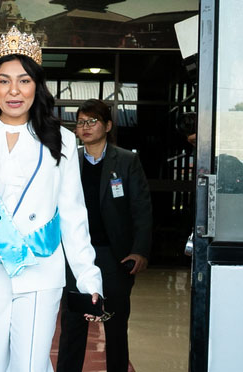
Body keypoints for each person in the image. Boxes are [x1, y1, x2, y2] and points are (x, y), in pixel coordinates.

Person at [0, 26, 104, 372]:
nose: (13, 91)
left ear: (37, 86)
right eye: (3, 80)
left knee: (29, 365)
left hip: (40, 268)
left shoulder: (63, 140)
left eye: (24, 81)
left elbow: (73, 214)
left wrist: (88, 277)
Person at [56, 99, 152, 372]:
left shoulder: (126, 161)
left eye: (92, 121)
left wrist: (140, 251)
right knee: (73, 324)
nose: (85, 127)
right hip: (76, 254)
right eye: (81, 122)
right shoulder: (68, 159)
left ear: (107, 126)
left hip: (115, 256)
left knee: (116, 325)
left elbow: (142, 210)